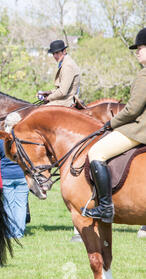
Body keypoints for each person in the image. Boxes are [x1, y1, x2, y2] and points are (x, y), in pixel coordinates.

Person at [82, 28, 146, 223]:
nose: (137, 51)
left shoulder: (144, 75)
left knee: (96, 153)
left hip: (140, 129)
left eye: (141, 48)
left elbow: (133, 110)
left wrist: (111, 123)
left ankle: (105, 207)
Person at [0, 115, 29, 238]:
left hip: (6, 176)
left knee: (9, 205)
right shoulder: (24, 138)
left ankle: (10, 232)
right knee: (21, 205)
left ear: (6, 123)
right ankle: (18, 233)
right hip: (22, 176)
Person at [37, 39, 81, 107]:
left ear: (64, 51)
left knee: (38, 111)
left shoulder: (67, 66)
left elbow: (62, 92)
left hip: (66, 101)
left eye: (57, 53)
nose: (55, 56)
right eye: (53, 54)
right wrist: (49, 92)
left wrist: (48, 98)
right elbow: (62, 88)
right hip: (62, 99)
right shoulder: (65, 63)